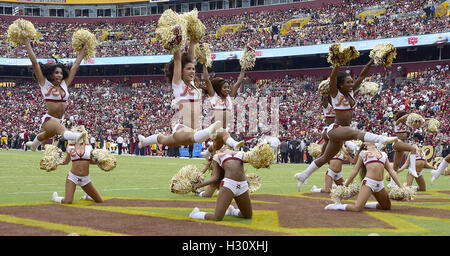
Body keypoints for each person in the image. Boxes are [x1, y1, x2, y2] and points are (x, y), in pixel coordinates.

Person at [294, 59, 397, 191]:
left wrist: (371, 62)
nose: (351, 83)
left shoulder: (351, 92)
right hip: (336, 129)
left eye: (351, 81)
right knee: (355, 133)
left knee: (326, 157)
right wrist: (337, 64)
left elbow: (362, 76)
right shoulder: (335, 94)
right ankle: (382, 138)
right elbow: (332, 78)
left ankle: (304, 175)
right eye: (348, 82)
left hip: (342, 132)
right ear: (340, 84)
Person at [138, 41, 222, 149]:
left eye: (193, 69)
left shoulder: (192, 85)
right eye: (188, 69)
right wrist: (175, 41)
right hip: (182, 128)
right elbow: (178, 59)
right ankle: (210, 130)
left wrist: (192, 40)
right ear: (180, 72)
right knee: (195, 137)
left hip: (195, 129)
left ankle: (144, 141)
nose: (192, 71)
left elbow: (191, 58)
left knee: (165, 139)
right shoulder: (178, 84)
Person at [23, 38, 87, 151]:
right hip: (49, 119)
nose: (59, 75)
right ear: (51, 74)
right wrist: (27, 43)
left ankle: (33, 145)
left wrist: (84, 48)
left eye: (61, 73)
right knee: (63, 131)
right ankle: (76, 137)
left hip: (60, 120)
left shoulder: (64, 84)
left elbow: (76, 65)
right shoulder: (44, 83)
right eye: (56, 73)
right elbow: (34, 62)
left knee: (45, 136)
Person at [189, 145, 268, 221]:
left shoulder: (241, 153)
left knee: (247, 215)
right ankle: (196, 214)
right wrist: (199, 185)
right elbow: (215, 177)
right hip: (228, 185)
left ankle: (232, 211)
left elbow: (254, 160)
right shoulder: (217, 157)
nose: (222, 146)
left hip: (243, 186)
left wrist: (264, 161)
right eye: (220, 146)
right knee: (217, 217)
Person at [324, 141, 404, 211]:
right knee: (357, 208)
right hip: (369, 183)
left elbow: (391, 171)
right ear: (365, 145)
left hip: (380, 184)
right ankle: (337, 206)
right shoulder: (363, 154)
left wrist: (401, 187)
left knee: (386, 207)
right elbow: (355, 171)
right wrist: (345, 185)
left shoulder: (383, 154)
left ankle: (364, 204)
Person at [51, 126, 103, 204]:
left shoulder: (89, 147)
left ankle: (88, 196)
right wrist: (56, 162)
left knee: (99, 200)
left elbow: (90, 161)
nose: (80, 132)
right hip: (73, 177)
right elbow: (66, 162)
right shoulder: (70, 147)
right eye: (78, 130)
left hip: (85, 179)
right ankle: (55, 198)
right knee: (68, 201)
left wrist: (99, 161)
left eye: (81, 130)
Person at [389, 111, 420, 182]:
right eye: (406, 117)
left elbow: (419, 122)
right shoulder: (397, 122)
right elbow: (401, 119)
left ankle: (391, 183)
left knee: (396, 166)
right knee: (413, 149)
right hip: (397, 142)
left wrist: (427, 119)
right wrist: (409, 114)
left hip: (402, 143)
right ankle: (413, 170)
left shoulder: (406, 123)